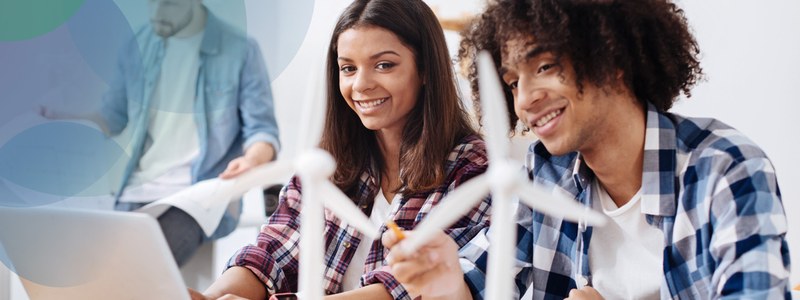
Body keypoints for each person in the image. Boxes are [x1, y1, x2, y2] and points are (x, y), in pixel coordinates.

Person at [383, 0, 792, 299]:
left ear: (609, 56)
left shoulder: (724, 169)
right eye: (512, 82)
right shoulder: (545, 175)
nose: (524, 100)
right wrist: (449, 282)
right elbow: (479, 281)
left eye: (544, 67)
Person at [191, 0, 491, 299]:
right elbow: (272, 251)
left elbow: (409, 289)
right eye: (348, 68)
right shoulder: (328, 161)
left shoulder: (472, 168)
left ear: (425, 69)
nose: (360, 84)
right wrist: (212, 297)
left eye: (384, 65)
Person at [41, 0, 280, 267]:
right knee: (82, 266)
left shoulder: (240, 50)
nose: (156, 14)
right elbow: (112, 117)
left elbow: (263, 131)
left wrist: (251, 161)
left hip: (199, 193)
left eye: (168, 4)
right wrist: (69, 118)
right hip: (135, 189)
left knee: (138, 269)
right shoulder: (137, 45)